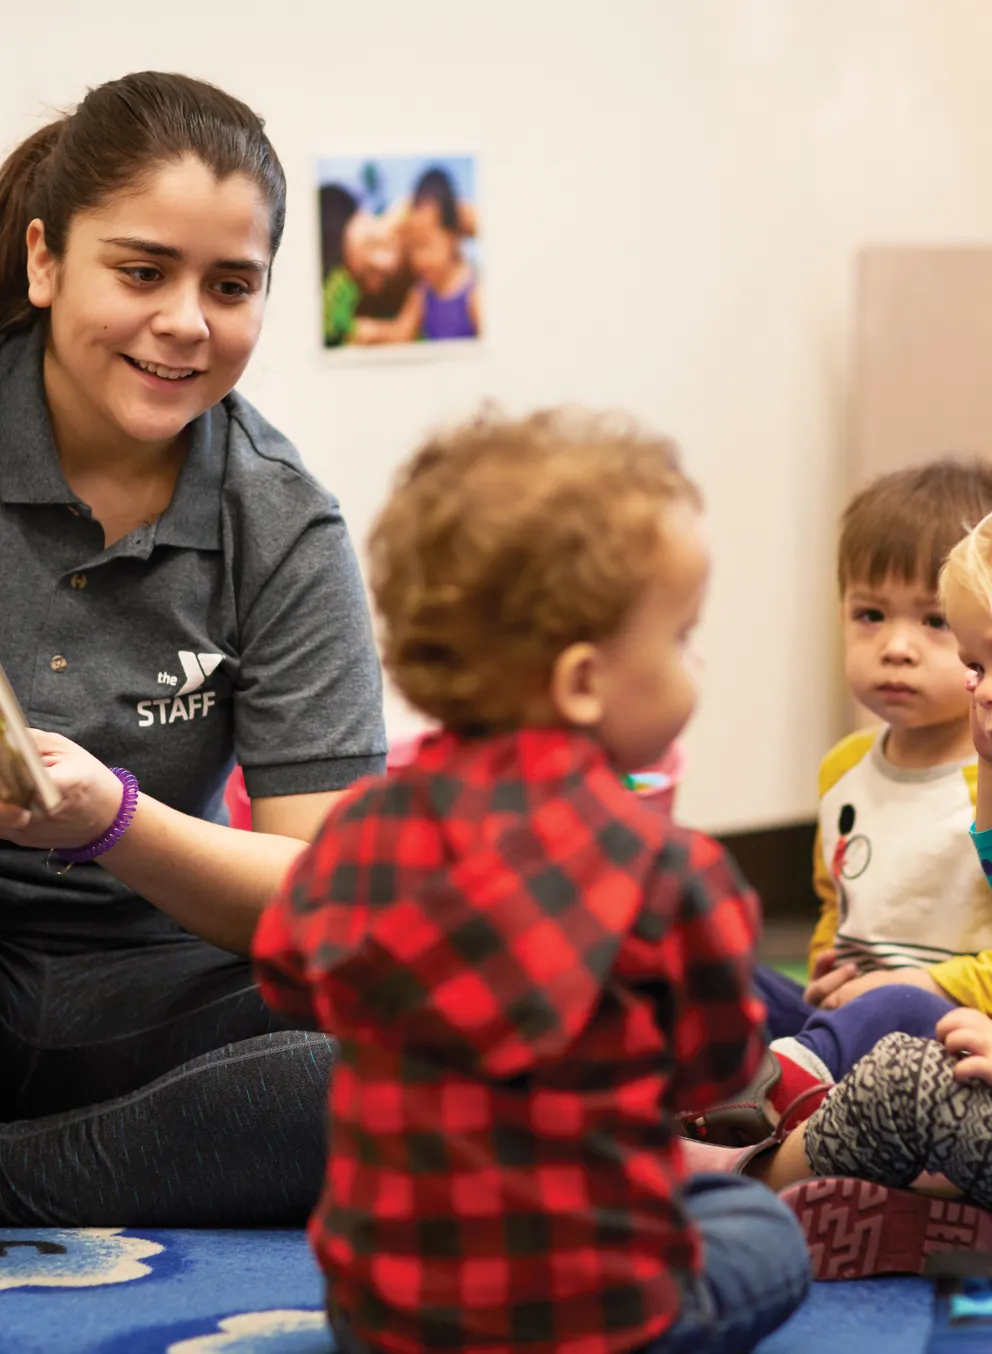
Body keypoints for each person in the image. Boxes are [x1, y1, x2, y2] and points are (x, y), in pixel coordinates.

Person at [254, 409, 811, 1354]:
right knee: (759, 1228)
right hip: (593, 1319)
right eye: (681, 638)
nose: (695, 665)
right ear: (584, 682)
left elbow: (287, 976)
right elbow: (718, 1070)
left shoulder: (360, 832)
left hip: (384, 1317)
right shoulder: (670, 872)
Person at [0, 71, 387, 1226]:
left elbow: (326, 898)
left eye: (231, 286)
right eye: (142, 270)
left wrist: (110, 819)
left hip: (138, 985)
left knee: (404, 1049)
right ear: (43, 260)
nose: (185, 322)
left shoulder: (282, 523)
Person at [351, 168, 481, 346]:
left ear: (452, 238)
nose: (418, 259)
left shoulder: (472, 293)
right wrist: (373, 331)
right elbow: (401, 333)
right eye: (412, 249)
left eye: (425, 245)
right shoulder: (422, 294)